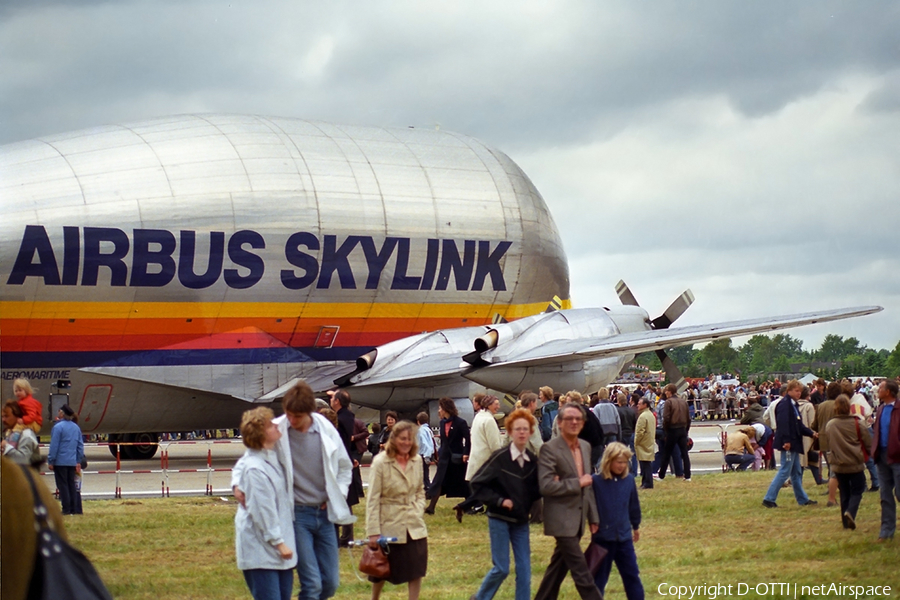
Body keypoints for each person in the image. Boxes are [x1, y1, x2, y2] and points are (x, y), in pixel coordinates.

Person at [232, 381, 355, 600]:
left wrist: (337, 494)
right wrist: (235, 484)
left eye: (296, 416)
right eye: (288, 415)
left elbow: (345, 468)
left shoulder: (325, 429)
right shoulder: (279, 429)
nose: (291, 420)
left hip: (325, 514)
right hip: (298, 515)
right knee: (312, 584)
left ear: (310, 413)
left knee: (330, 583)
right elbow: (250, 455)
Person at [468, 409, 541, 600]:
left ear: (531, 432)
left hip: (521, 522)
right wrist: (499, 501)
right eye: (518, 429)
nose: (522, 433)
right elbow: (477, 484)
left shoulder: (533, 462)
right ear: (509, 432)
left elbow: (537, 490)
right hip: (499, 519)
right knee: (501, 568)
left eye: (526, 429)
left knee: (524, 570)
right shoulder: (500, 458)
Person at [533, 403, 602, 600]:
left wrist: (593, 517)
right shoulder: (549, 449)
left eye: (578, 419)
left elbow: (587, 486)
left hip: (579, 518)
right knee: (582, 572)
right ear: (560, 423)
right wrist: (576, 483)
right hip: (561, 519)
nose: (574, 422)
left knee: (557, 569)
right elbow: (546, 486)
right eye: (569, 419)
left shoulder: (586, 447)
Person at [233, 407, 297, 600]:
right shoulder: (255, 469)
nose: (276, 425)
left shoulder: (271, 457)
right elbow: (262, 510)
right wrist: (279, 543)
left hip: (280, 549)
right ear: (260, 435)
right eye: (270, 425)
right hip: (261, 551)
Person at [366, 420, 428, 600]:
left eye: (409, 439)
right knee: (380, 569)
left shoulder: (416, 460)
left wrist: (418, 509)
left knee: (416, 568)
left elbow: (420, 491)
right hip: (389, 524)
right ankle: (374, 598)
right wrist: (373, 532)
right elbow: (373, 499)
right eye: (402, 439)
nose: (406, 443)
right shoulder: (380, 462)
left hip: (414, 524)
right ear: (394, 439)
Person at [591, 443, 644, 600]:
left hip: (623, 538)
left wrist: (635, 526)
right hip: (602, 539)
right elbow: (588, 506)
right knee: (598, 580)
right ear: (608, 461)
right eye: (618, 462)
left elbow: (633, 505)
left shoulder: (628, 481)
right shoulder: (596, 482)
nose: (622, 466)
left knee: (632, 576)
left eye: (624, 462)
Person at [762, 380, 818, 508]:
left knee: (796, 472)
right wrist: (786, 441)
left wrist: (811, 433)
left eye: (800, 391)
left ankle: (802, 499)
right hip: (788, 443)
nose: (799, 393)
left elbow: (798, 425)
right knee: (785, 471)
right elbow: (783, 424)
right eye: (796, 391)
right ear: (789, 391)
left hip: (793, 443)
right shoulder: (785, 405)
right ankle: (769, 498)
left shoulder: (793, 405)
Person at [823, 395, 870, 530]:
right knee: (858, 489)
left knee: (844, 491)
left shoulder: (831, 425)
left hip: (838, 464)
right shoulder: (857, 423)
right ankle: (851, 511)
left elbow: (829, 443)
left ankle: (845, 522)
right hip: (855, 462)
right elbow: (867, 442)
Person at [425, 397, 470, 515]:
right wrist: (438, 455)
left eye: (440, 408)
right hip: (445, 458)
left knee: (463, 482)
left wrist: (466, 453)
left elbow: (468, 439)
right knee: (439, 481)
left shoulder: (461, 422)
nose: (438, 410)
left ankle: (469, 505)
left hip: (457, 458)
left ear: (446, 409)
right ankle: (431, 508)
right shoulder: (442, 422)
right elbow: (444, 442)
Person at [330, 389, 363, 547]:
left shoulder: (341, 418)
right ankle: (347, 535)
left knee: (342, 499)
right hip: (345, 459)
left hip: (340, 461)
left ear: (337, 402)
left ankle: (346, 535)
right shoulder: (346, 416)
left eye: (333, 399)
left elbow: (341, 442)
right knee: (346, 500)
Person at [871, 379, 899, 542]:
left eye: (881, 388)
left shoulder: (898, 408)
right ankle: (886, 530)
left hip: (897, 456)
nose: (878, 390)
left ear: (888, 392)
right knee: (885, 494)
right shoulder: (880, 409)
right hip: (881, 455)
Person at [47, 404, 84, 515]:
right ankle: (74, 508)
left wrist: (51, 460)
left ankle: (66, 509)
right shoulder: (76, 427)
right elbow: (80, 445)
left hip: (60, 461)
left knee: (62, 485)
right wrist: (78, 460)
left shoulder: (58, 427)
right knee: (71, 485)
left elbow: (54, 446)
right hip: (72, 461)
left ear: (62, 413)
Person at [657, 384, 691, 481]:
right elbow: (688, 418)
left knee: (667, 453)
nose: (665, 393)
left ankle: (661, 475)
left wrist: (666, 431)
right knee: (684, 453)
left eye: (666, 391)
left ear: (670, 391)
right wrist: (686, 430)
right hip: (682, 429)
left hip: (672, 429)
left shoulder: (669, 402)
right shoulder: (683, 402)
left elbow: (666, 418)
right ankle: (687, 475)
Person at [466, 395, 503, 483]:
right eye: (496, 404)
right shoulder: (489, 420)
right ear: (489, 405)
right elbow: (495, 445)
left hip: (476, 461)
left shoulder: (478, 417)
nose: (498, 407)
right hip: (486, 464)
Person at [1, 400, 41, 467]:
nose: (3, 420)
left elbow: (23, 459)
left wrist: (6, 447)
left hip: (25, 476)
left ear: (18, 416)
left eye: (6, 416)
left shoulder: (26, 434)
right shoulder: (11, 433)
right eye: (2, 417)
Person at [634, 398, 656, 489]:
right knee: (647, 463)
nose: (637, 405)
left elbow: (640, 431)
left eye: (639, 404)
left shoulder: (643, 416)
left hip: (643, 443)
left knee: (645, 464)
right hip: (649, 441)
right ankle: (646, 482)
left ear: (645, 405)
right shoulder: (650, 415)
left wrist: (636, 442)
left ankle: (647, 482)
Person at [616, 392, 638, 475]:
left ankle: (628, 469)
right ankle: (634, 472)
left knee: (622, 453)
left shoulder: (618, 410)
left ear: (619, 401)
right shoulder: (631, 411)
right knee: (633, 454)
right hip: (631, 433)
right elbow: (634, 423)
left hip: (622, 433)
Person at [416, 412, 436, 491]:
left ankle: (427, 489)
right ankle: (427, 488)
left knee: (423, 474)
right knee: (425, 473)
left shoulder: (421, 431)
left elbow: (425, 443)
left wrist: (426, 456)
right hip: (428, 454)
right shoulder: (429, 430)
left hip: (423, 454)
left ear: (418, 421)